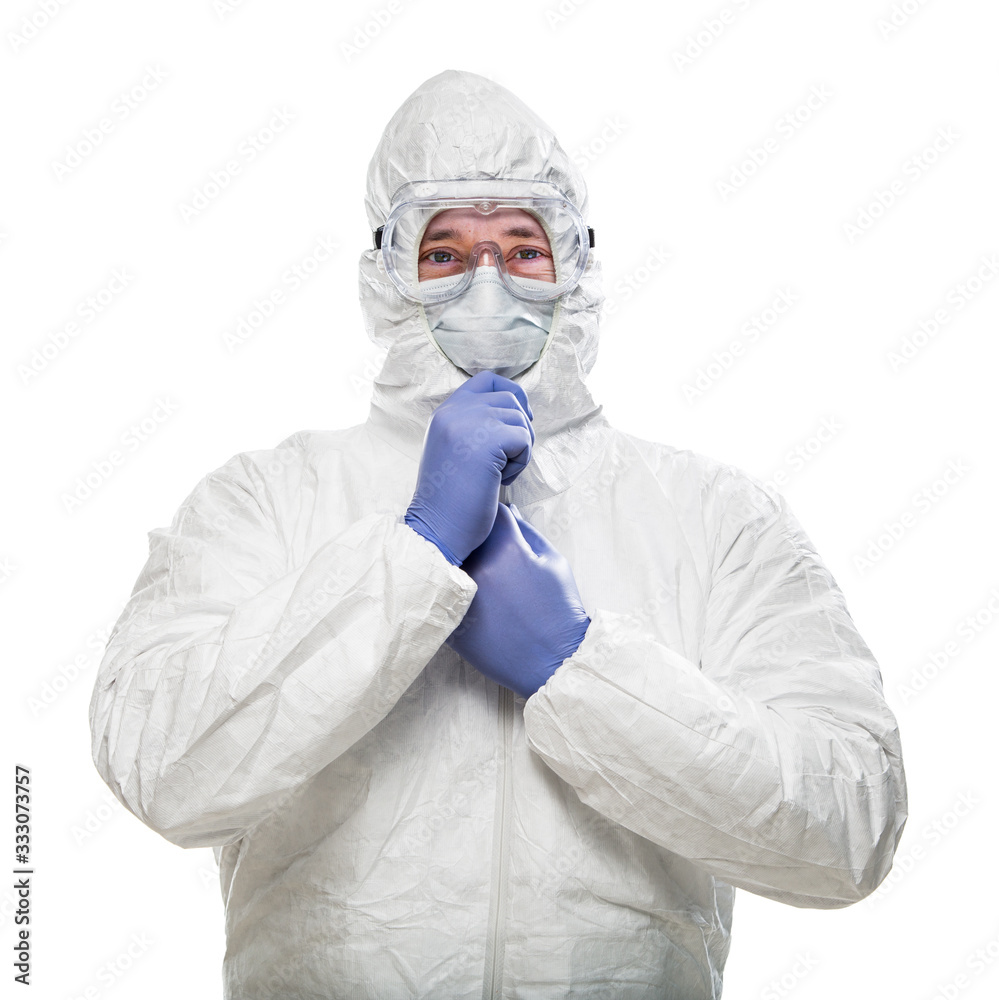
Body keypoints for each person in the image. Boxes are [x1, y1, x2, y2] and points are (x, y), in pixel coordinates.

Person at [89, 69, 907, 999]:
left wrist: (580, 668)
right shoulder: (265, 501)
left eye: (522, 247)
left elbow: (850, 831)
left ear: (577, 266)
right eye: (444, 252)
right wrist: (410, 560)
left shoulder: (715, 518)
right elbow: (163, 769)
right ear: (386, 275)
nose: (489, 283)